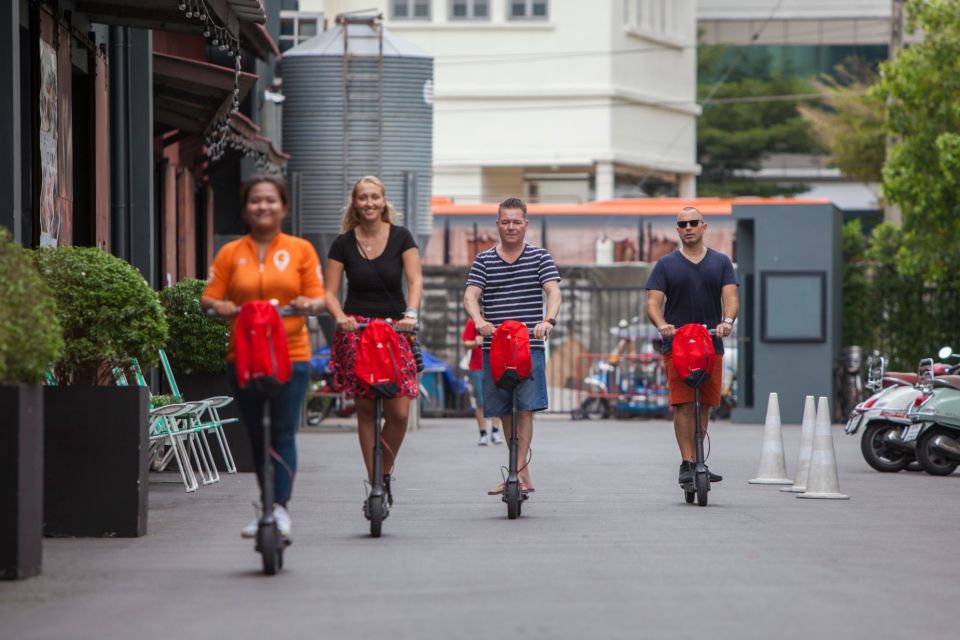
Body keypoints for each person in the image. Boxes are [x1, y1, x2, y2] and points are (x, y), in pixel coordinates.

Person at [201, 175, 326, 539]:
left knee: (283, 431)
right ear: (245, 208)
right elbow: (209, 296)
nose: (263, 207)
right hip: (244, 355)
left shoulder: (301, 250)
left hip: (292, 355)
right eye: (256, 201)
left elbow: (318, 297)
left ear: (283, 207)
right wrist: (220, 306)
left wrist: (307, 303)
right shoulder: (230, 253)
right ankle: (265, 505)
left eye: (271, 200)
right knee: (257, 435)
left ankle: (281, 509)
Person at [324, 175, 423, 513]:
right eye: (362, 198)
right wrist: (339, 316)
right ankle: (375, 488)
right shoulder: (342, 244)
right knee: (366, 411)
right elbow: (329, 290)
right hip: (357, 332)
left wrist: (411, 313)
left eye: (374, 197)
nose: (368, 203)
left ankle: (383, 474)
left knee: (398, 411)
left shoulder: (401, 237)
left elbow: (415, 279)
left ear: (384, 201)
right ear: (355, 203)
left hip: (396, 331)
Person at [463, 197, 561, 494]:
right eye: (505, 221)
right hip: (495, 347)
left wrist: (548, 321)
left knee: (526, 409)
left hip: (529, 344)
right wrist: (478, 319)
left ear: (525, 224)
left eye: (516, 221)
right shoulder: (484, 260)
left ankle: (514, 474)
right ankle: (520, 474)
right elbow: (470, 296)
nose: (511, 227)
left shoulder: (540, 257)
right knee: (505, 410)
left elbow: (553, 292)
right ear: (497, 224)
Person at [645, 206, 739, 485]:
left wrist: (727, 321)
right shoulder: (665, 265)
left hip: (711, 343)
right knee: (684, 404)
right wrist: (662, 325)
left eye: (693, 222)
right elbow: (652, 302)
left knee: (706, 404)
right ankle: (687, 462)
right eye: (682, 224)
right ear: (677, 230)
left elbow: (731, 298)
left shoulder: (721, 262)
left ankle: (700, 461)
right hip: (679, 345)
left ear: (703, 227)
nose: (688, 227)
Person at [462, 318, 503, 446]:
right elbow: (465, 343)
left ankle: (495, 432)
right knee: (480, 401)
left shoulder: (499, 318)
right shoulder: (472, 321)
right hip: (477, 367)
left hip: (497, 364)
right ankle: (483, 433)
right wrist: (475, 342)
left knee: (499, 398)